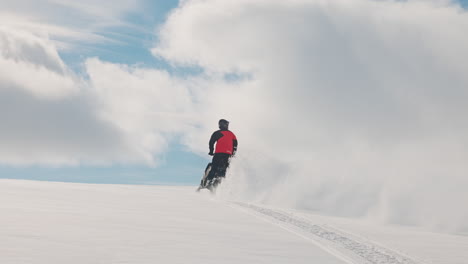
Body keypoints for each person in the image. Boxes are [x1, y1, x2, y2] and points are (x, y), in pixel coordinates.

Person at [203, 119, 238, 187]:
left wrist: (211, 151)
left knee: (214, 167)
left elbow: (211, 142)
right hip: (228, 155)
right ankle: (219, 184)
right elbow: (235, 145)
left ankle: (208, 183)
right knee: (225, 169)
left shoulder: (217, 133)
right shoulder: (232, 134)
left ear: (220, 125)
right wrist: (233, 154)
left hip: (218, 153)